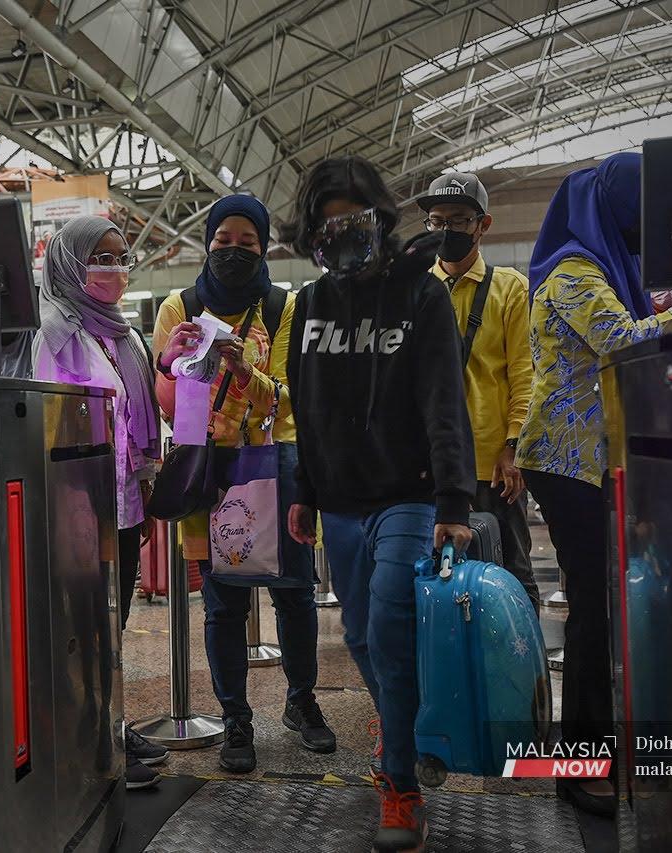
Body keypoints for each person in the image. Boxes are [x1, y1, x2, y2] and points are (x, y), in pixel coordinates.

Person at [516, 152, 672, 817]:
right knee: (594, 611)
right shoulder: (573, 272)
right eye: (635, 212)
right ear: (607, 210)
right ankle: (578, 764)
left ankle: (613, 750)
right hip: (564, 462)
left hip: (593, 458)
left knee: (607, 610)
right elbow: (621, 341)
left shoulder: (609, 268)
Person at [281, 156, 476, 853]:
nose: (341, 234)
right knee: (361, 637)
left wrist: (454, 496)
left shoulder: (420, 295)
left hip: (408, 493)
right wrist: (303, 489)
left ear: (380, 220)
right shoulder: (309, 304)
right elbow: (307, 405)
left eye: (353, 220)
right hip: (339, 499)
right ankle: (402, 730)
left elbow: (443, 399)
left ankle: (401, 783)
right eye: (327, 223)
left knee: (391, 622)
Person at [154, 195, 334, 775]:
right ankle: (236, 718)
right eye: (222, 241)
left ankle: (301, 701)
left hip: (273, 467)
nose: (233, 252)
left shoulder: (284, 307)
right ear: (208, 243)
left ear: (263, 247)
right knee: (223, 605)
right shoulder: (178, 306)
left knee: (295, 594)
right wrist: (175, 365)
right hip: (209, 473)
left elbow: (289, 397)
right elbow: (173, 410)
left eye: (246, 243)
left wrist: (241, 371)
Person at [32, 215, 167, 790]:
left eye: (121, 255)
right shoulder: (55, 335)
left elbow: (141, 420)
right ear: (69, 264)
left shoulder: (125, 336)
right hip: (80, 504)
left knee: (114, 622)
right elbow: (49, 427)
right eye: (101, 257)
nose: (115, 267)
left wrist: (144, 480)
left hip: (125, 504)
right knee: (82, 624)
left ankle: (112, 721)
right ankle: (90, 736)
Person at [417, 173, 538, 610]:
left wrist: (513, 447)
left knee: (512, 576)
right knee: (433, 578)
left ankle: (522, 672)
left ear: (483, 224)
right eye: (436, 221)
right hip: (428, 463)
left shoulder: (510, 289)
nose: (446, 231)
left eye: (459, 221)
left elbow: (525, 373)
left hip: (491, 464)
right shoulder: (415, 288)